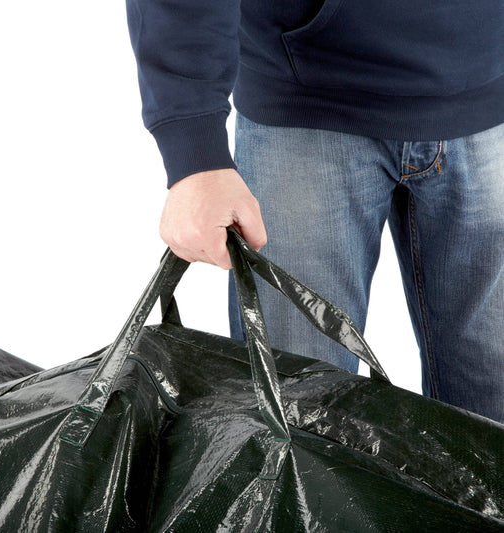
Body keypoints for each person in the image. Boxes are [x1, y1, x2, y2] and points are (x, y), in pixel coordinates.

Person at [125, 1, 504, 423]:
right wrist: (193, 149)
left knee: (496, 415)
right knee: (296, 415)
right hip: (305, 105)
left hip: (492, 90)